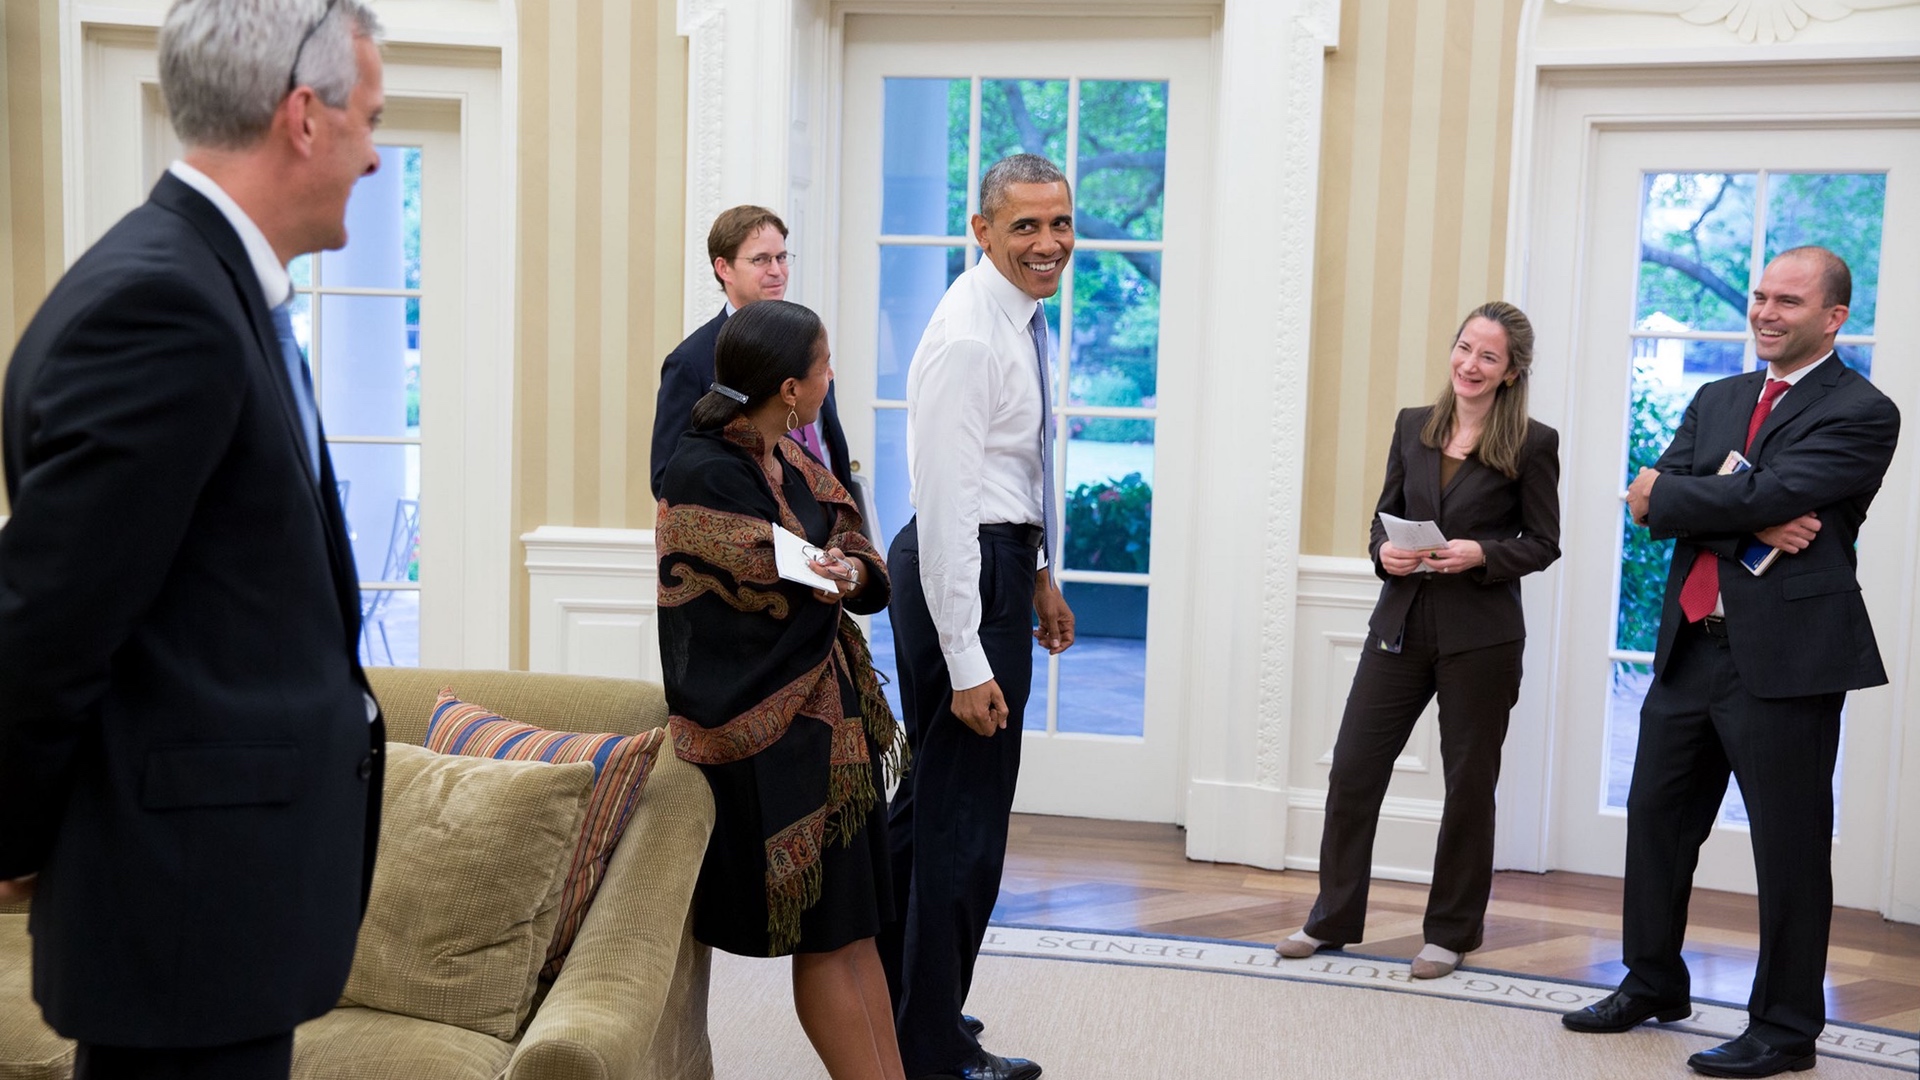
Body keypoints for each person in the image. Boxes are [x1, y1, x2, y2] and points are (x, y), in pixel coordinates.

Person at [0, 0, 388, 1076]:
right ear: (303, 118)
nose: (374, 152)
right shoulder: (165, 307)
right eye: (367, 117)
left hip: (214, 911)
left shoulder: (212, 288)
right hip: (182, 912)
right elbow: (49, 625)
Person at [1563, 247, 1899, 1079]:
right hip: (1690, 647)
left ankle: (1785, 1029)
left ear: (1833, 317)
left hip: (1787, 662)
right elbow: (1657, 501)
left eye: (1788, 300)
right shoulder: (1718, 397)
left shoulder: (1862, 409)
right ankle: (1651, 982)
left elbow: (1733, 495)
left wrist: (1701, 502)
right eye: (1759, 295)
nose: (1765, 311)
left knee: (1788, 847)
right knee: (1657, 820)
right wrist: (1741, 514)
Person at [655, 299, 907, 1080]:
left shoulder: (790, 458)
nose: (834, 378)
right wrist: (820, 572)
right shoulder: (702, 467)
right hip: (774, 738)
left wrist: (848, 570)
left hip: (834, 720)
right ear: (792, 388)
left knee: (858, 932)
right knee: (829, 940)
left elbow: (852, 543)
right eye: (826, 366)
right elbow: (760, 569)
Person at [1276, 301, 1561, 981]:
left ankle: (1451, 932)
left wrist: (1480, 554)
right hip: (1399, 624)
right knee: (1352, 769)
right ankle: (1332, 918)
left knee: (1468, 785)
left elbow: (1544, 543)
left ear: (1511, 371)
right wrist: (1385, 555)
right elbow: (1382, 520)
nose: (1469, 364)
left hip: (1481, 637)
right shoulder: (1414, 427)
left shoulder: (1533, 442)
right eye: (1465, 348)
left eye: (1488, 357)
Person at [879, 153, 1077, 1080]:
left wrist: (1039, 572)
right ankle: (929, 1050)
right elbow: (949, 500)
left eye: (1060, 223)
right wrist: (966, 658)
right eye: (1027, 227)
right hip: (961, 574)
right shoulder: (969, 333)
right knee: (967, 828)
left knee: (932, 814)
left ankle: (902, 1017)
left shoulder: (1026, 321)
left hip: (998, 563)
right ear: (983, 231)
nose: (1049, 244)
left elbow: (1016, 468)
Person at [649, 205, 855, 500]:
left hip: (827, 529)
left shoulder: (808, 341)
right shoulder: (690, 361)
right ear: (724, 268)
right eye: (761, 260)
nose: (776, 271)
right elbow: (667, 477)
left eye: (781, 258)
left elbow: (826, 445)